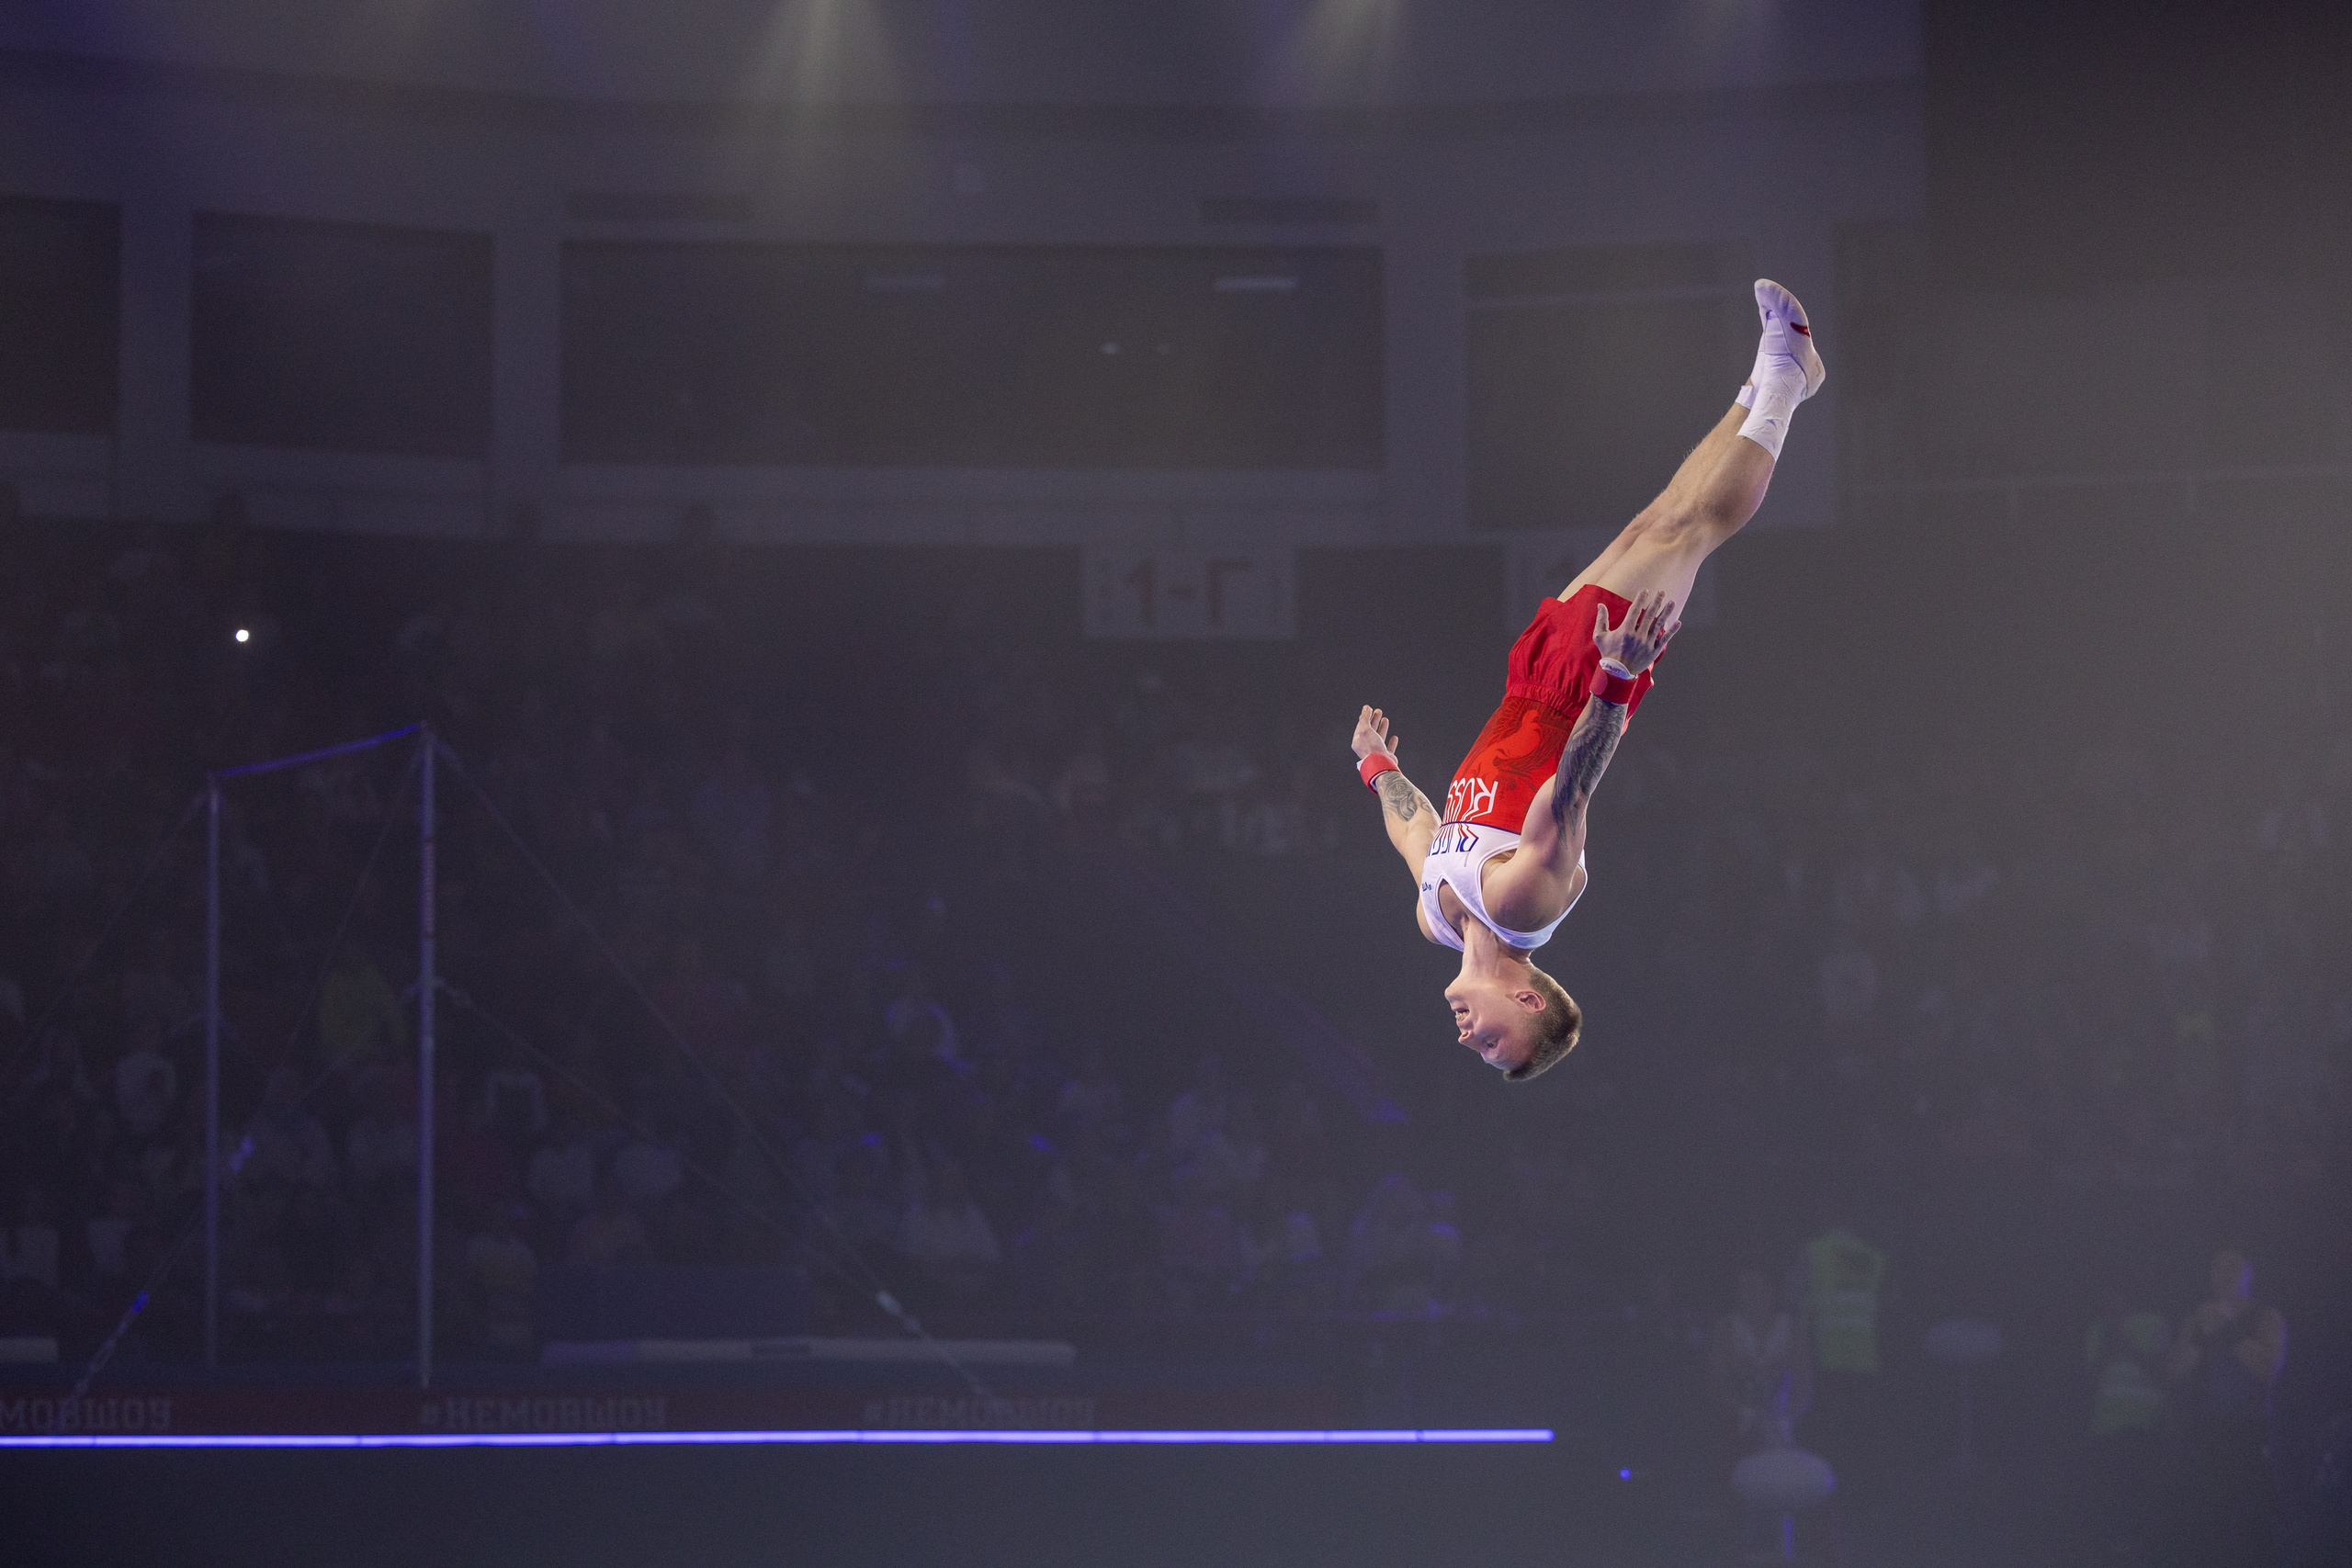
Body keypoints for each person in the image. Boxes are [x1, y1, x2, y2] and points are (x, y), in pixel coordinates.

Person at [1351, 280, 1826, 1078]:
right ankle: (1786, 374)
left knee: (1657, 520)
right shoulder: (1523, 906)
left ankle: (1772, 380)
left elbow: (1416, 831)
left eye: (1479, 1051)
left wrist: (1378, 769)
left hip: (1528, 683)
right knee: (1688, 530)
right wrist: (1613, 681)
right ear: (1529, 999)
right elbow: (1569, 792)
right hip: (1584, 687)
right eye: (1497, 1041)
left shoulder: (1439, 917)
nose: (1471, 1039)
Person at [2162, 1248, 2287, 1565]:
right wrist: (2200, 1336)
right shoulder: (2197, 1318)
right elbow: (2174, 1373)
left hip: (2250, 1433)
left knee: (2258, 1528)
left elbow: (2269, 1369)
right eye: (2217, 1268)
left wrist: (2226, 1329)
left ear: (2248, 1275)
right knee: (2205, 1530)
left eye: (2233, 1267)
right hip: (2207, 1434)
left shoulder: (2265, 1317)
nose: (2224, 1274)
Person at [1709, 1266, 1813, 1454]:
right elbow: (1717, 1381)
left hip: (1783, 1424)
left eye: (1757, 1288)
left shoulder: (1791, 1329)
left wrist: (1788, 1418)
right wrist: (1742, 1413)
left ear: (1771, 1291)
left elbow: (1803, 1383)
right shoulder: (1726, 1328)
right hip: (1739, 1422)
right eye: (1744, 1289)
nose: (1751, 1295)